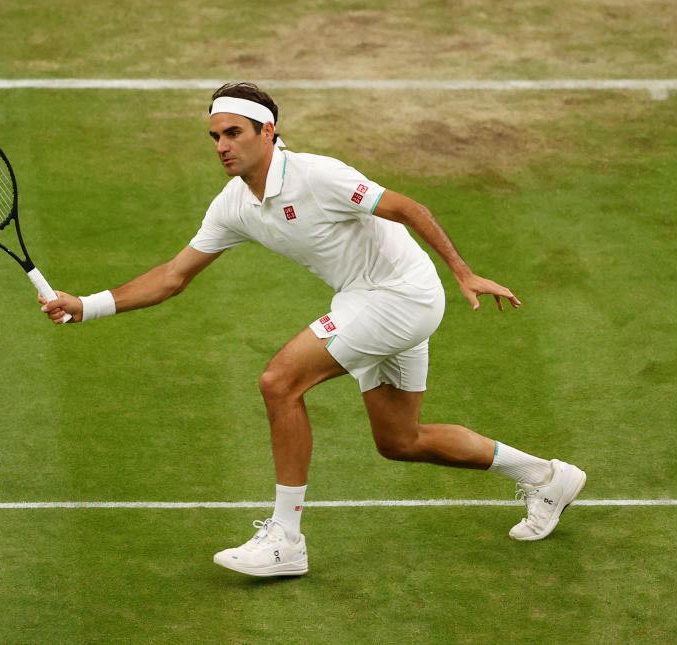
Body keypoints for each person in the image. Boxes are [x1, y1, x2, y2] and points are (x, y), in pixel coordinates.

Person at [40, 82, 586, 577]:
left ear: (267, 131)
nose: (221, 145)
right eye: (214, 136)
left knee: (279, 381)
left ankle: (286, 541)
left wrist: (463, 272)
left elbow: (406, 207)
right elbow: (173, 276)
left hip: (402, 295)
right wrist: (86, 305)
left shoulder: (318, 175)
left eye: (233, 132)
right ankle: (546, 476)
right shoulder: (233, 205)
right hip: (365, 299)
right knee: (400, 440)